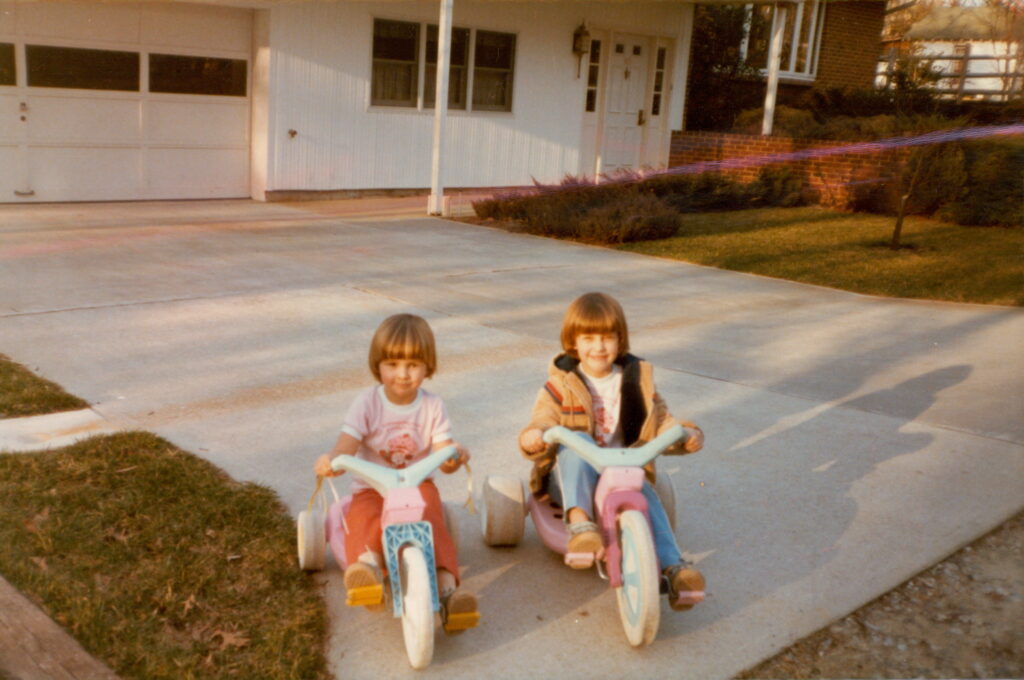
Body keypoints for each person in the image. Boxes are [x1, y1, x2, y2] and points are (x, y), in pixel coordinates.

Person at [518, 292, 706, 611]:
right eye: (589, 338)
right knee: (577, 444)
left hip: (622, 472)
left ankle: (675, 568)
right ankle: (580, 523)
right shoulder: (560, 385)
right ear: (573, 342)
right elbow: (543, 418)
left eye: (607, 337)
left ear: (620, 340)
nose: (599, 347)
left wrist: (685, 434)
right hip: (570, 479)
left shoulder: (637, 383)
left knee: (646, 494)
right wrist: (534, 435)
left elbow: (661, 420)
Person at [315, 313, 477, 629]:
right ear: (378, 365)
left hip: (417, 487)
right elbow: (346, 446)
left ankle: (448, 593)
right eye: (392, 364)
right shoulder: (366, 404)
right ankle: (370, 569)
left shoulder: (432, 406)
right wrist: (333, 462)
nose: (402, 374)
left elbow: (444, 452)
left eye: (413, 364)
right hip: (372, 486)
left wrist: (453, 456)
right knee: (365, 520)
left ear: (428, 367)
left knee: (432, 524)